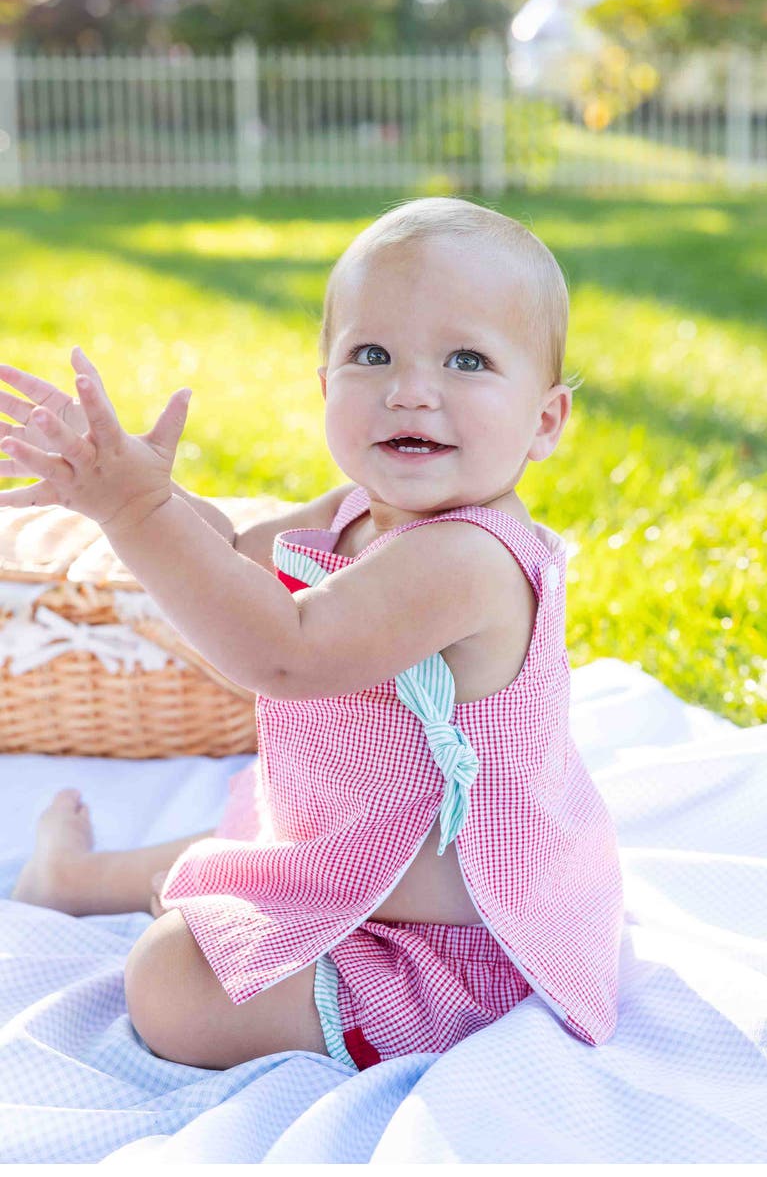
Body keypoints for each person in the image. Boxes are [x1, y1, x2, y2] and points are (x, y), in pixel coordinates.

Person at [0, 196, 623, 1072]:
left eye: (467, 360)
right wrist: (134, 488)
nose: (410, 390)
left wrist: (136, 513)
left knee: (170, 981)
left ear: (545, 421)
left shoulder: (469, 558)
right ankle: (75, 882)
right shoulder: (356, 511)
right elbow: (230, 556)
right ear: (327, 387)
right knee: (253, 838)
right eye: (373, 355)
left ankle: (121, 896)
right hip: (355, 854)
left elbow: (285, 651)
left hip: (450, 952)